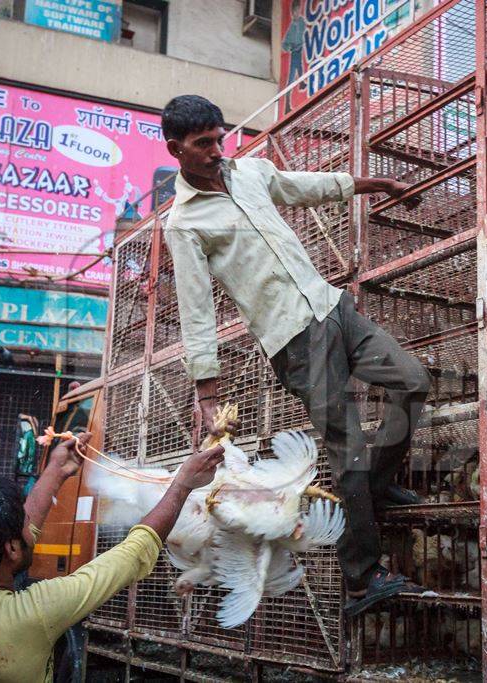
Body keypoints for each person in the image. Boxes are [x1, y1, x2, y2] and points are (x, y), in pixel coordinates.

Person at [161, 95, 432, 617]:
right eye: (203, 144)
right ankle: (361, 577)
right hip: (293, 342)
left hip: (333, 309)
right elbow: (197, 309)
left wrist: (374, 185)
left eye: (220, 138)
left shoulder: (251, 173)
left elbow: (306, 186)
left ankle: (376, 487)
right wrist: (206, 390)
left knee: (412, 380)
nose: (218, 150)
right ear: (176, 149)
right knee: (346, 447)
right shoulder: (183, 224)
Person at [0, 432, 225, 681]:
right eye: (20, 526)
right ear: (11, 548)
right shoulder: (30, 616)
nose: (28, 525)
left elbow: (16, 536)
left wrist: (56, 471)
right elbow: (131, 554)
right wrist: (182, 484)